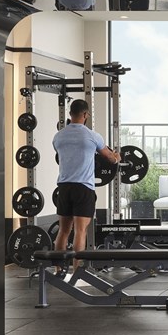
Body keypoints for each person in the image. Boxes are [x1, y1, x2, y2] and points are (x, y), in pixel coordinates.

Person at [51, 99, 121, 268]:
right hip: (83, 188)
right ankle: (76, 273)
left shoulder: (58, 136)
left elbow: (61, 154)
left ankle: (58, 269)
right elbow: (110, 158)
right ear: (85, 115)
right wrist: (117, 157)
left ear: (70, 114)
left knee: (63, 231)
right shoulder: (92, 136)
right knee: (80, 231)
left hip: (64, 187)